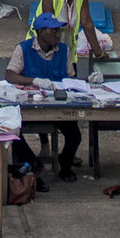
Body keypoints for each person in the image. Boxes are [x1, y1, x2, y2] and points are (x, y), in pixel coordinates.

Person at [7, 12, 80, 183]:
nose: (58, 34)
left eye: (59, 31)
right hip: (30, 107)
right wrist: (34, 81)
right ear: (40, 32)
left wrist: (86, 82)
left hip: (58, 107)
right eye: (53, 31)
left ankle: (65, 163)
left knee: (75, 134)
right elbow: (10, 74)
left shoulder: (63, 50)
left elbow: (71, 78)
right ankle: (32, 163)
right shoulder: (23, 48)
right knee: (13, 131)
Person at [36, 0, 97, 70]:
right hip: (45, 52)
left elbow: (87, 23)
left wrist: (99, 53)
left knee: (72, 84)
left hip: (67, 52)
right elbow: (49, 30)